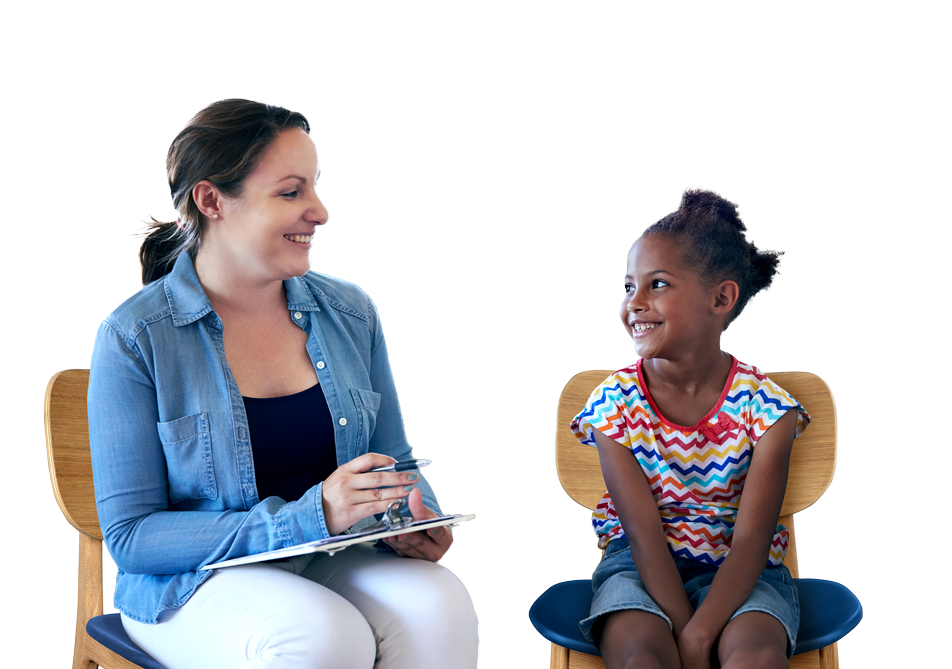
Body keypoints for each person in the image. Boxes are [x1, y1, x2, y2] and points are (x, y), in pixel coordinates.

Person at [87, 97, 478, 669]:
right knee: (319, 635)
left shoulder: (350, 314)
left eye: (316, 190)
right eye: (291, 192)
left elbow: (391, 461)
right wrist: (309, 513)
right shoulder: (136, 336)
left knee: (439, 603)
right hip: (187, 584)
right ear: (212, 200)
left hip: (327, 557)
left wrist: (410, 518)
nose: (319, 212)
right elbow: (132, 536)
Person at [569, 188, 810, 669]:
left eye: (656, 284)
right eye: (627, 286)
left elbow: (750, 542)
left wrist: (699, 637)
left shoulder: (768, 412)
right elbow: (642, 535)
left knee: (756, 657)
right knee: (641, 657)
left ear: (721, 298)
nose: (634, 303)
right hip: (638, 569)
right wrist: (682, 628)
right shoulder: (614, 406)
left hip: (745, 574)